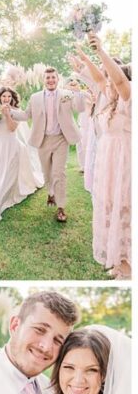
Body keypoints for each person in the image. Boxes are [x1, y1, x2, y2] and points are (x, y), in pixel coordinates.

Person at [76, 36, 131, 279]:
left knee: (125, 208)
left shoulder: (129, 100)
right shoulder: (110, 100)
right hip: (108, 162)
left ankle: (128, 263)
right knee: (109, 206)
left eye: (112, 79)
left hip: (125, 163)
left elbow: (117, 78)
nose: (107, 83)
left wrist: (102, 51)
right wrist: (86, 56)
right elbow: (101, 79)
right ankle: (117, 258)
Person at [22, 67, 85, 223]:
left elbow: (80, 108)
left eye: (53, 77)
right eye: (47, 78)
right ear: (44, 80)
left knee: (59, 173)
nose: (50, 80)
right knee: (47, 172)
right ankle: (51, 192)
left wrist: (77, 92)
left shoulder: (67, 95)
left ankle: (61, 207)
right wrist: (8, 112)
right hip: (42, 140)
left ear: (58, 79)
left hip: (61, 139)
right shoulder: (35, 97)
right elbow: (25, 115)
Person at [0, 88, 43, 220]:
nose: (6, 98)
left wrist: (8, 114)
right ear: (0, 97)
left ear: (12, 98)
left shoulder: (16, 112)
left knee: (6, 173)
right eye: (4, 96)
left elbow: (12, 128)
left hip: (10, 146)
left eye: (9, 96)